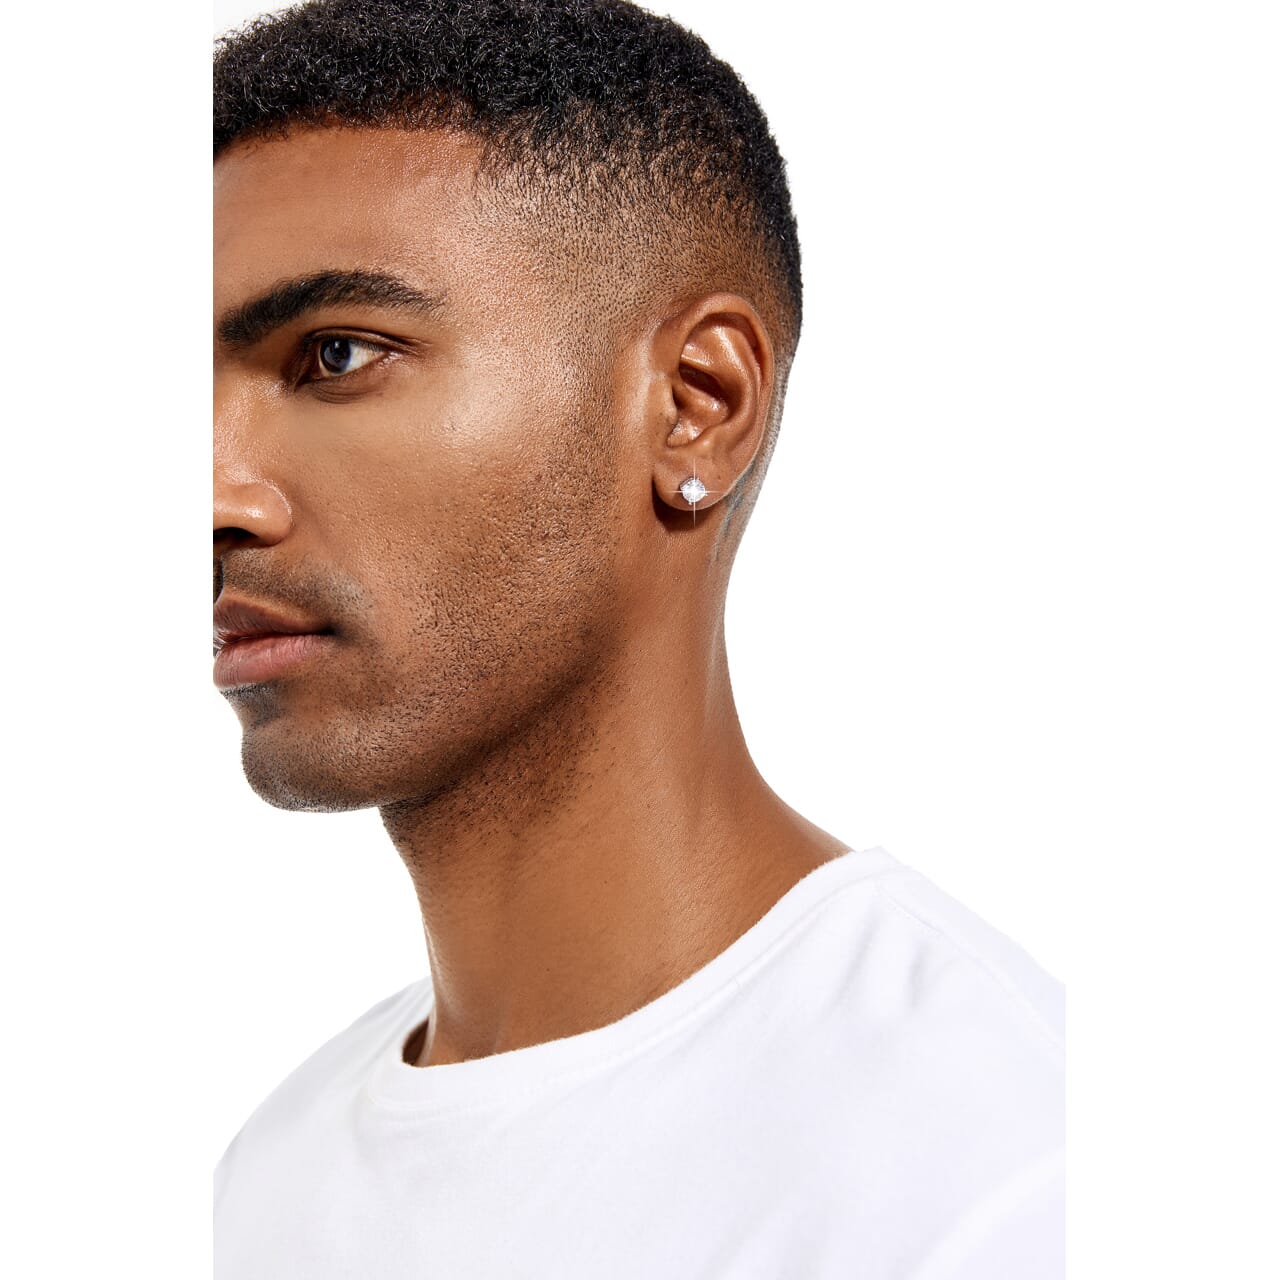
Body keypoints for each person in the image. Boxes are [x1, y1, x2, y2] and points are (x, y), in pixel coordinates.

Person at [212, 0, 1065, 1274]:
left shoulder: (1008, 1170)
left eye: (335, 354)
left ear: (694, 406)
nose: (213, 490)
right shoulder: (267, 1174)